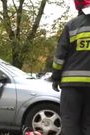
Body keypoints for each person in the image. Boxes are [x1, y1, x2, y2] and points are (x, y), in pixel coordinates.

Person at [51, 0, 90, 135]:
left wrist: (55, 77)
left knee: (70, 122)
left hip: (71, 87)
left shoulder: (72, 25)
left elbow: (60, 57)